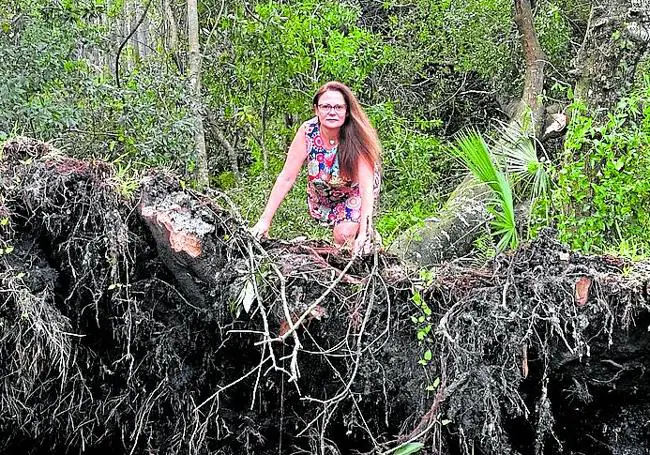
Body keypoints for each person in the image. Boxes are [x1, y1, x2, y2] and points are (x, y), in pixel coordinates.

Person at [250, 81, 381, 254]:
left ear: (347, 111)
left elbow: (366, 189)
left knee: (343, 235)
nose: (332, 112)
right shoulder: (308, 132)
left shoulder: (358, 138)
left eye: (338, 107)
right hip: (325, 190)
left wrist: (363, 233)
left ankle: (361, 240)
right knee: (340, 238)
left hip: (354, 191)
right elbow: (286, 177)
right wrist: (264, 221)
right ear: (316, 110)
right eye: (326, 106)